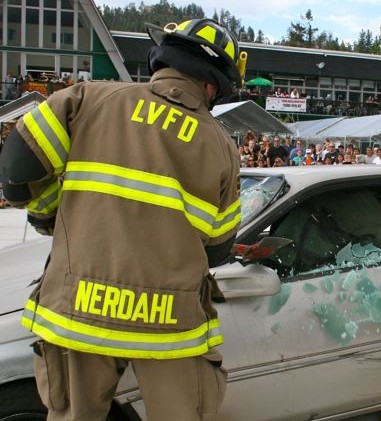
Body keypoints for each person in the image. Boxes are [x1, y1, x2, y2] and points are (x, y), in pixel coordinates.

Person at [0, 18, 243, 421]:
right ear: (213, 85)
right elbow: (218, 247)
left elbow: (18, 165)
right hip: (168, 326)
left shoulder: (91, 98)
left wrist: (50, 214)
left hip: (79, 310)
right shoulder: (220, 144)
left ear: (162, 58)